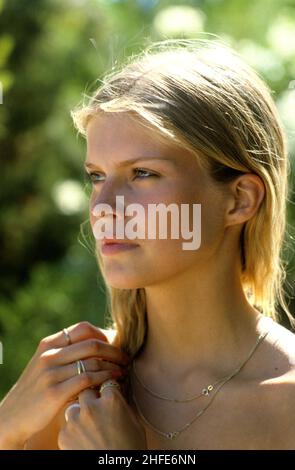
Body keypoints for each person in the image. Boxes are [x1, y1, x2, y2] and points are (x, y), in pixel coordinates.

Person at [1, 38, 295, 450]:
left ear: (240, 199)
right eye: (97, 176)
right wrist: (7, 429)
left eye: (142, 173)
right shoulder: (68, 392)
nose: (103, 207)